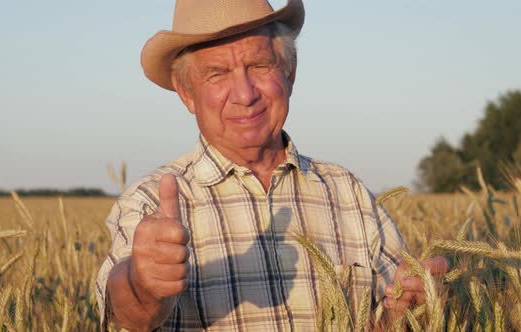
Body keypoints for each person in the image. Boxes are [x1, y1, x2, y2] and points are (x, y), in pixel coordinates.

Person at [95, 0, 449, 330]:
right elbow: (127, 315)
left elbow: (396, 317)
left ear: (289, 73)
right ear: (186, 92)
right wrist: (144, 283)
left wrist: (412, 303)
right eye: (217, 74)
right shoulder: (149, 201)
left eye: (259, 66)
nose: (245, 94)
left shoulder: (349, 192)